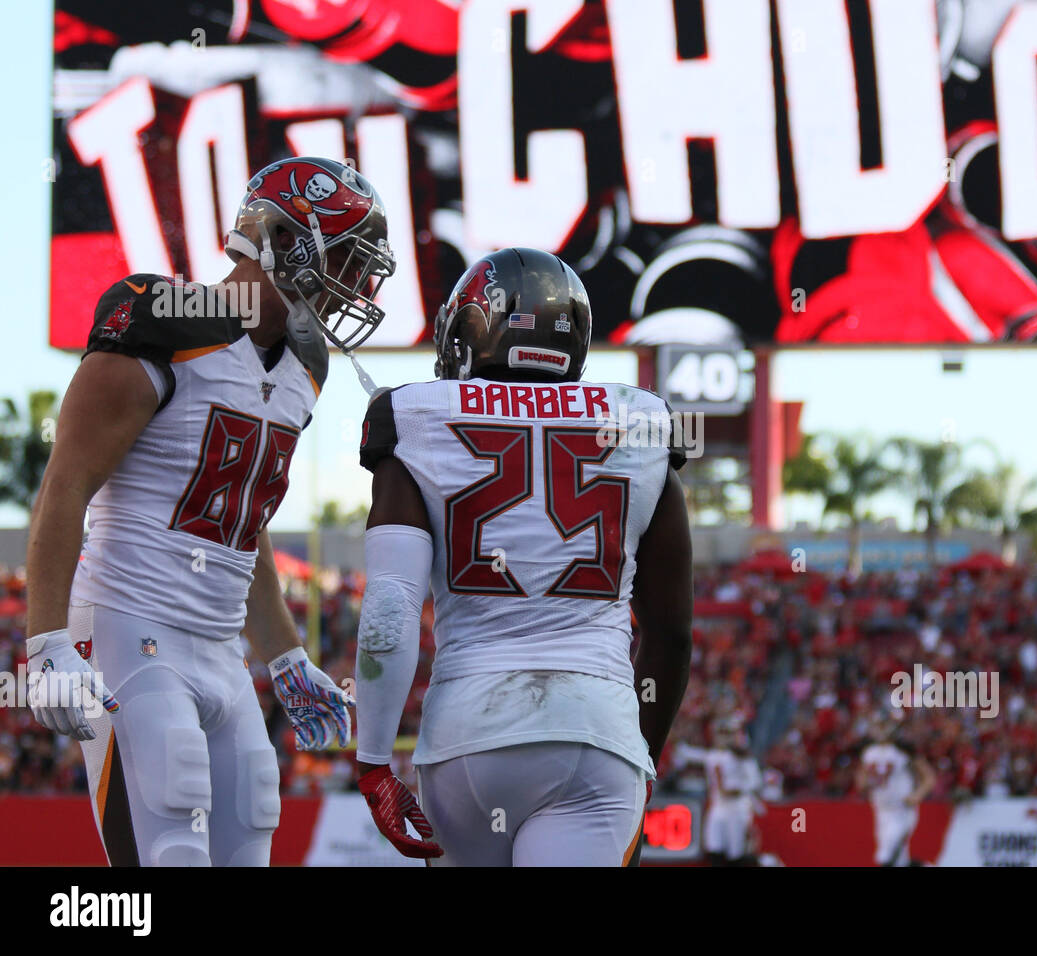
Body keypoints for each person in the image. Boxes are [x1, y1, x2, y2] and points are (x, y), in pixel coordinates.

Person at [24, 156, 395, 866]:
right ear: (285, 241)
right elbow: (64, 488)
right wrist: (46, 646)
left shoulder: (303, 368)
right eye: (348, 259)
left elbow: (236, 528)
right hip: (130, 627)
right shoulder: (166, 322)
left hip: (221, 649)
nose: (361, 283)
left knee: (252, 829)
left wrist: (285, 655)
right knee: (169, 853)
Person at [352, 247, 693, 866]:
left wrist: (373, 760)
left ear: (470, 334)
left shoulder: (415, 415)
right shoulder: (644, 423)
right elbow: (671, 633)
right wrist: (640, 754)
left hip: (468, 734)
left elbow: (389, 608)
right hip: (596, 729)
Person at [674, 716, 765, 866]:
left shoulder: (743, 759)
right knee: (714, 845)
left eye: (727, 734)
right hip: (718, 807)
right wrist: (677, 736)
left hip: (737, 808)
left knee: (736, 851)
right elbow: (687, 753)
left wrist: (738, 789)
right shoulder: (712, 756)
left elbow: (755, 781)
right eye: (720, 734)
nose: (722, 738)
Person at [856, 726, 935, 866]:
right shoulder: (869, 752)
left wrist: (917, 795)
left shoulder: (904, 751)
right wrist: (866, 783)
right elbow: (861, 781)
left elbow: (928, 777)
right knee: (899, 861)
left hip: (901, 810)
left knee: (885, 855)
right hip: (881, 810)